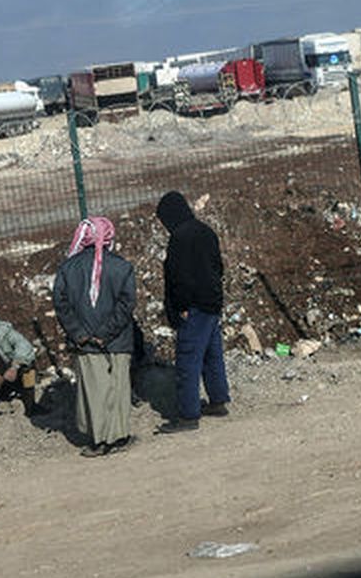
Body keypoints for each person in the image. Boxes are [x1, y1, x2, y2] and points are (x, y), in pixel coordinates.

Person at [52, 216, 136, 456]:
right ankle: (119, 437)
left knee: (94, 391)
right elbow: (127, 303)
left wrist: (81, 335)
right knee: (118, 388)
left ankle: (99, 440)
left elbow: (61, 304)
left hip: (85, 344)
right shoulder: (122, 267)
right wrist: (105, 333)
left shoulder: (67, 269)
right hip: (117, 340)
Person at [154, 190, 230, 433]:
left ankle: (188, 415)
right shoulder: (205, 231)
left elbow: (179, 278)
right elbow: (218, 267)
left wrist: (182, 307)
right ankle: (218, 401)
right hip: (212, 304)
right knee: (212, 354)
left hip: (194, 308)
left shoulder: (180, 238)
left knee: (188, 361)